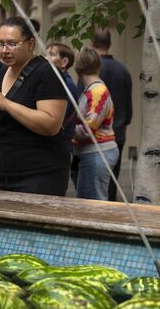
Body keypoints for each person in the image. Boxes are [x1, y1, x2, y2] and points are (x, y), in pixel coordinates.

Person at [0, 17, 70, 196]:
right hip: (1, 173)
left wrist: (5, 103)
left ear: (30, 44)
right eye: (0, 44)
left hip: (39, 174)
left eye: (11, 44)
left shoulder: (46, 73)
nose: (4, 50)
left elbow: (51, 124)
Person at [72, 46, 119, 201]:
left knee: (94, 206)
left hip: (97, 153)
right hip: (93, 153)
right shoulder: (92, 89)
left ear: (78, 66)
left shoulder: (97, 91)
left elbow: (87, 129)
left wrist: (66, 131)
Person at [92, 30, 132, 201]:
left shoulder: (90, 70)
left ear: (93, 44)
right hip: (118, 131)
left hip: (96, 133)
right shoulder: (123, 70)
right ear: (109, 44)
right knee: (111, 180)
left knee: (94, 180)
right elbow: (128, 105)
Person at [45, 42, 80, 152]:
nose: (46, 58)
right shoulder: (57, 82)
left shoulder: (66, 85)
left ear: (64, 62)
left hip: (60, 148)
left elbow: (58, 118)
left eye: (51, 54)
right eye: (46, 54)